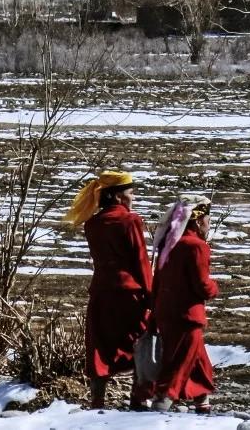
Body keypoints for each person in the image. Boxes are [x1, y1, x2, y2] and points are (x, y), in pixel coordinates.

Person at [63, 170, 153, 410]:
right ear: (117, 196)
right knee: (139, 342)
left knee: (99, 345)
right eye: (131, 193)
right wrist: (150, 293)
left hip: (101, 291)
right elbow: (141, 260)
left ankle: (97, 400)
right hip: (129, 293)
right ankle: (138, 398)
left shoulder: (92, 224)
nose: (133, 198)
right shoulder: (130, 221)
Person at [151, 195, 219, 414]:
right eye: (207, 219)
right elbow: (202, 285)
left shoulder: (168, 244)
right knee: (177, 365)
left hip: (166, 311)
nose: (209, 224)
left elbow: (158, 279)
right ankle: (158, 408)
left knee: (198, 361)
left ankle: (202, 403)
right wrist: (214, 288)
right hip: (187, 316)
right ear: (198, 221)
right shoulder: (196, 246)